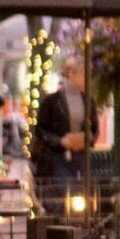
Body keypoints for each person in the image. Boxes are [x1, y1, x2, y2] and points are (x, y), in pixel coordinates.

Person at [33, 57, 94, 190]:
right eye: (84, 74)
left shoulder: (88, 101)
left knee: (80, 193)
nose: (87, 78)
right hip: (57, 157)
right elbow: (40, 130)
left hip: (80, 157)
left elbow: (94, 128)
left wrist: (87, 137)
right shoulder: (52, 101)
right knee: (66, 191)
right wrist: (60, 141)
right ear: (71, 73)